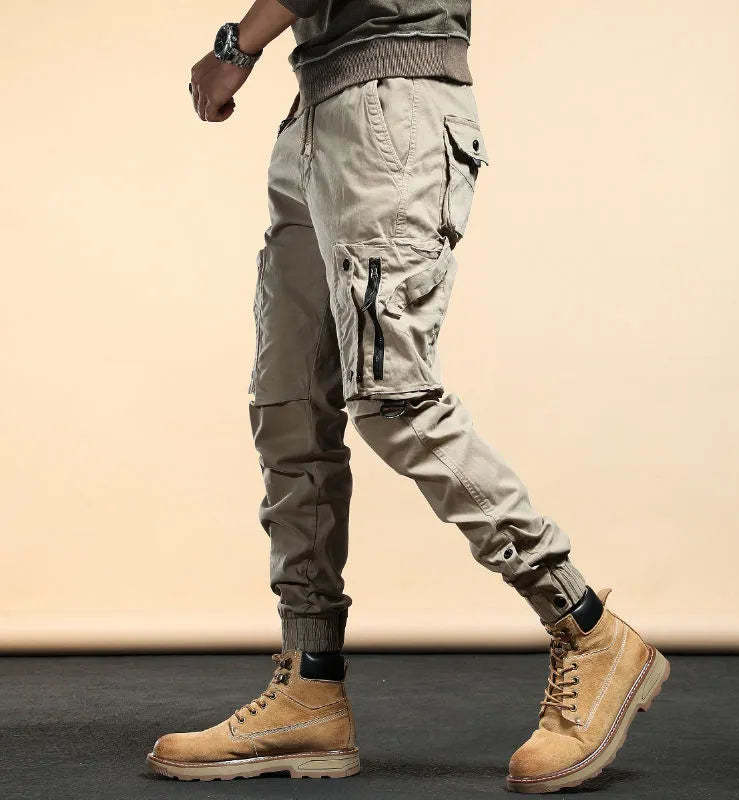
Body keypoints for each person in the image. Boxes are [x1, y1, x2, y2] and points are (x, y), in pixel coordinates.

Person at [146, 1, 669, 792]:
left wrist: (236, 48)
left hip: (391, 106)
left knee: (393, 398)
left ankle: (589, 630)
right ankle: (310, 687)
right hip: (317, 111)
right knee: (291, 408)